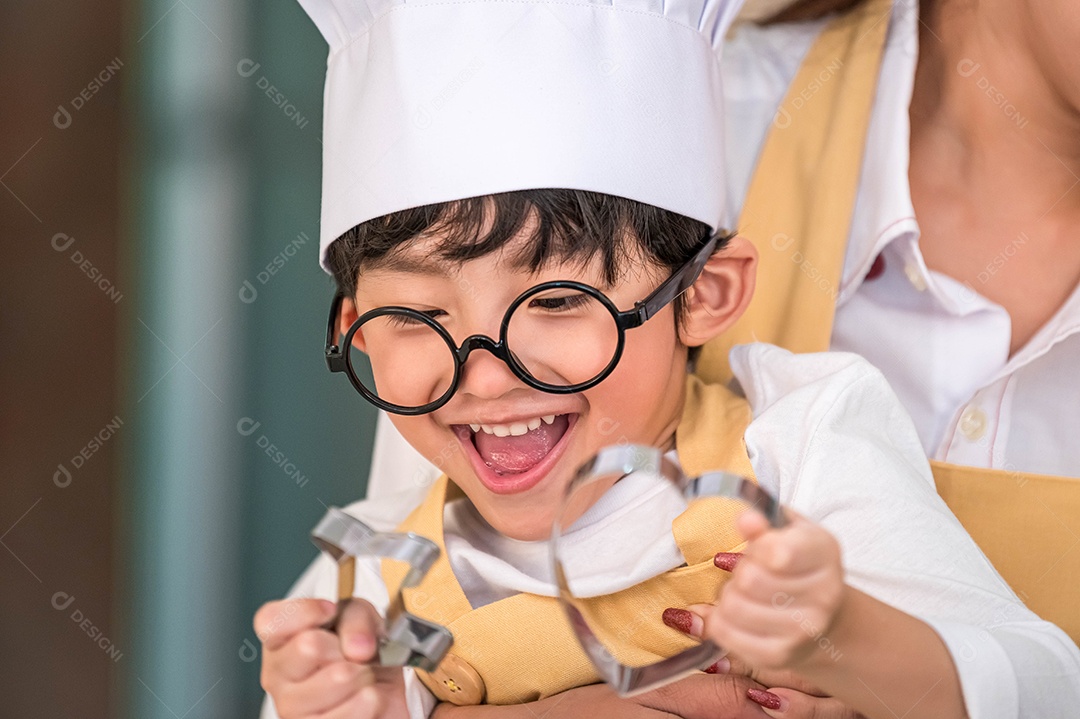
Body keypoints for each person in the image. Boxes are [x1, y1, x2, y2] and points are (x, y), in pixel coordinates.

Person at [255, 0, 1080, 717]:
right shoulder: (379, 570)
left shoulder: (800, 450)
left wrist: (846, 634)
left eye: (556, 303)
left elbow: (1047, 686)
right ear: (357, 327)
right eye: (418, 316)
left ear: (705, 295)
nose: (484, 376)